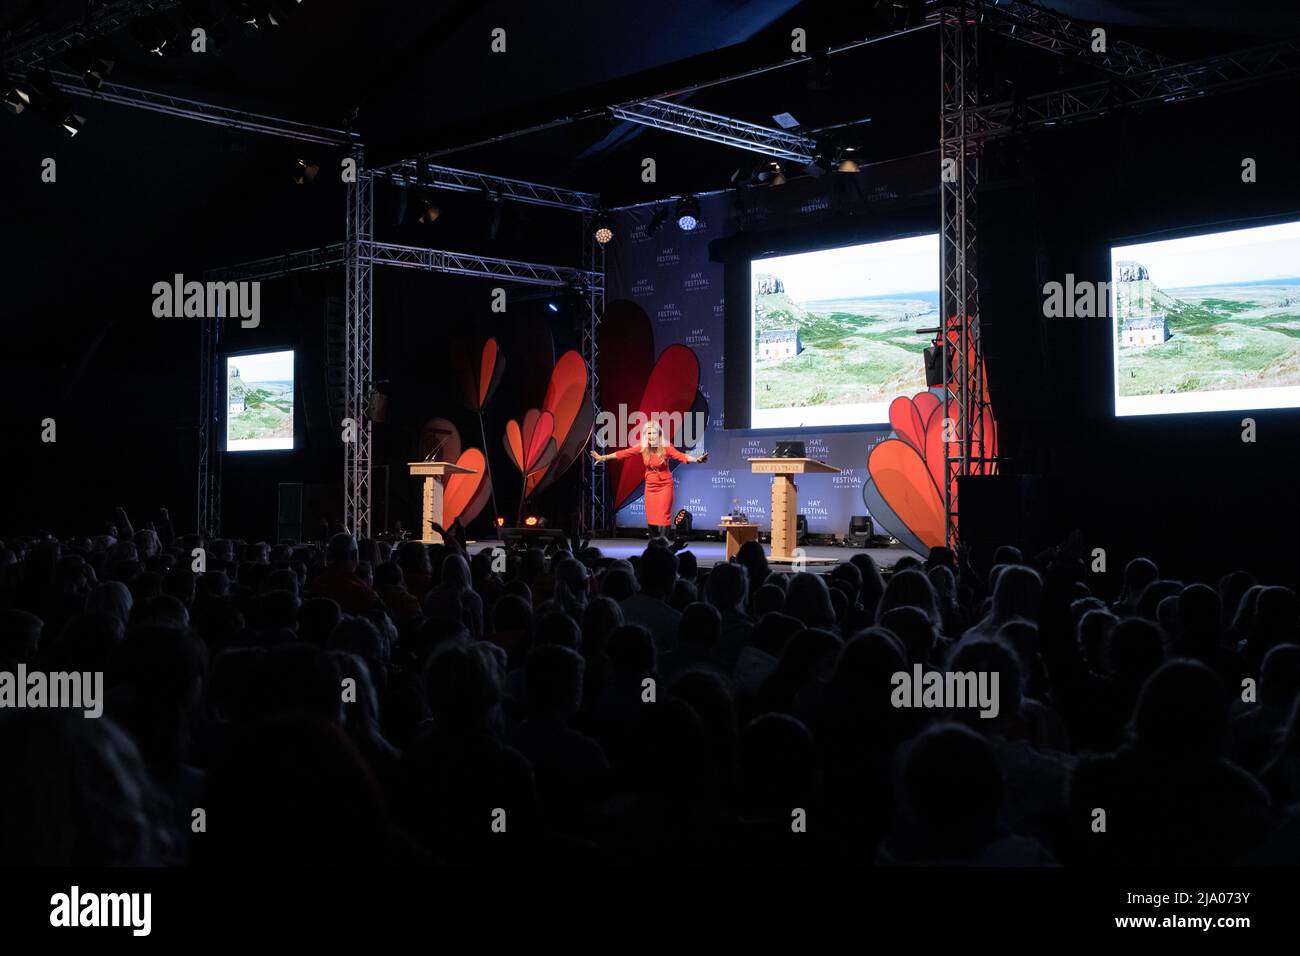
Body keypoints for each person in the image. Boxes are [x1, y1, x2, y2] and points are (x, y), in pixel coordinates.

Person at [591, 420, 707, 540]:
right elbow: (624, 453)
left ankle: (664, 545)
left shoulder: (666, 447)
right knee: (651, 516)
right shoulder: (643, 447)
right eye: (649, 433)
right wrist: (604, 457)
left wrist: (696, 459)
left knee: (663, 516)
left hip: (665, 486)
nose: (651, 436)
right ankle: (653, 545)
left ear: (659, 435)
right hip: (650, 487)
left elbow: (682, 456)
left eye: (653, 433)